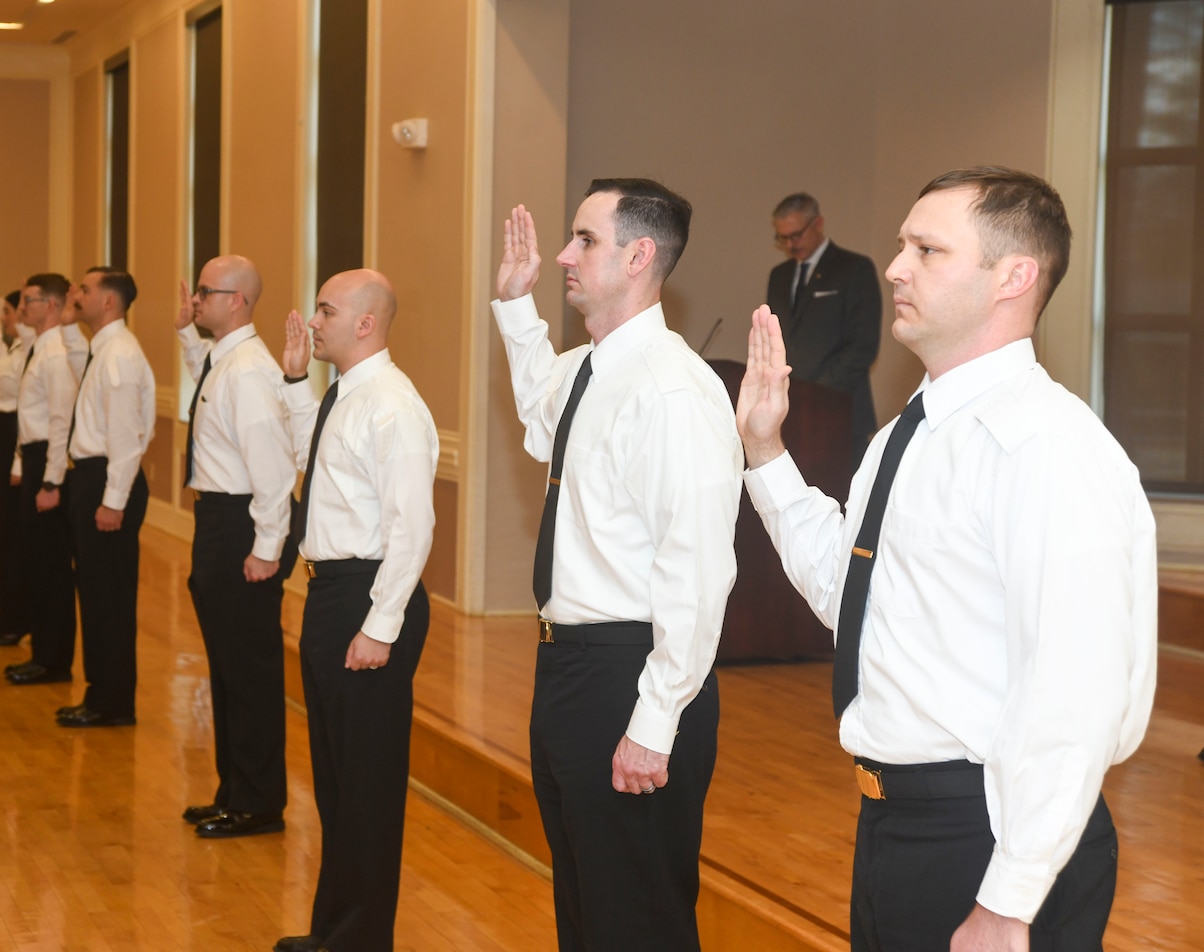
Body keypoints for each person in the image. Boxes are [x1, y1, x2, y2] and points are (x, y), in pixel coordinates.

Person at [736, 167, 1157, 951]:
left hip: (992, 836)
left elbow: (1075, 696)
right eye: (903, 245)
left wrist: (1009, 899)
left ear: (1014, 277)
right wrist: (765, 449)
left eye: (927, 249)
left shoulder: (1049, 448)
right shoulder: (905, 434)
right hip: (896, 826)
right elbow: (850, 597)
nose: (895, 267)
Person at [492, 181, 742, 950]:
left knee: (639, 918)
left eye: (584, 240)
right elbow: (543, 420)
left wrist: (655, 718)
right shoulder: (588, 369)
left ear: (638, 256)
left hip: (632, 673)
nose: (564, 256)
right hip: (569, 669)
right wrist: (514, 307)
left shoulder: (672, 389)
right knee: (589, 906)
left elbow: (699, 572)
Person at [274, 269, 437, 952]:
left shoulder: (393, 405)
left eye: (326, 310)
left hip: (367, 598)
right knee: (338, 782)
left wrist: (379, 626)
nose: (313, 321)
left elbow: (413, 527)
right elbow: (320, 456)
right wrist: (291, 384)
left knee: (365, 789)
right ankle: (335, 931)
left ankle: (361, 941)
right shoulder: (347, 393)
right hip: (333, 595)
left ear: (366, 322)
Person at [174, 256, 295, 838]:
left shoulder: (248, 370)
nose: (196, 300)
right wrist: (182, 335)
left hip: (242, 524)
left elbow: (273, 470)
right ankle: (234, 788)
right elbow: (201, 397)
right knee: (225, 666)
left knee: (248, 669)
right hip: (221, 521)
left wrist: (267, 546)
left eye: (205, 292)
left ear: (237, 301)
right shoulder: (226, 362)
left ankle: (259, 801)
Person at [59, 267, 154, 727]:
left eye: (86, 289)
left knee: (108, 600)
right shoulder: (104, 348)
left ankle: (111, 702)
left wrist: (113, 500)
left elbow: (126, 436)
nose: (77, 294)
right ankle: (101, 694)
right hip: (94, 480)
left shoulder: (118, 357)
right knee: (95, 595)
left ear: (110, 302)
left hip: (107, 481)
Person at [766, 193, 882, 465]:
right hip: (791, 414)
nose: (791, 245)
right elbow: (778, 338)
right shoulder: (779, 275)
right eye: (783, 238)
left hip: (839, 410)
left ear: (817, 223)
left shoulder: (854, 268)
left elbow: (863, 345)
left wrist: (815, 393)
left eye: (796, 235)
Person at [5, 273, 79, 686]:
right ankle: (43, 654)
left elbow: (60, 422)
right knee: (36, 561)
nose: (22, 308)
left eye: (29, 300)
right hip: (34, 460)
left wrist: (50, 483)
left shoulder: (54, 355)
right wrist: (23, 467)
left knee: (50, 567)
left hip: (47, 464)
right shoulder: (39, 348)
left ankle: (53, 660)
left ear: (50, 306)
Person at [0, 290, 32, 647]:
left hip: (19, 434)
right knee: (8, 529)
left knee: (18, 533)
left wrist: (18, 460)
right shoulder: (14, 350)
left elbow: (28, 406)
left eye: (9, 312)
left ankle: (18, 621)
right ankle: (11, 620)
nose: (5, 319)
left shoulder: (32, 349)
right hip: (5, 430)